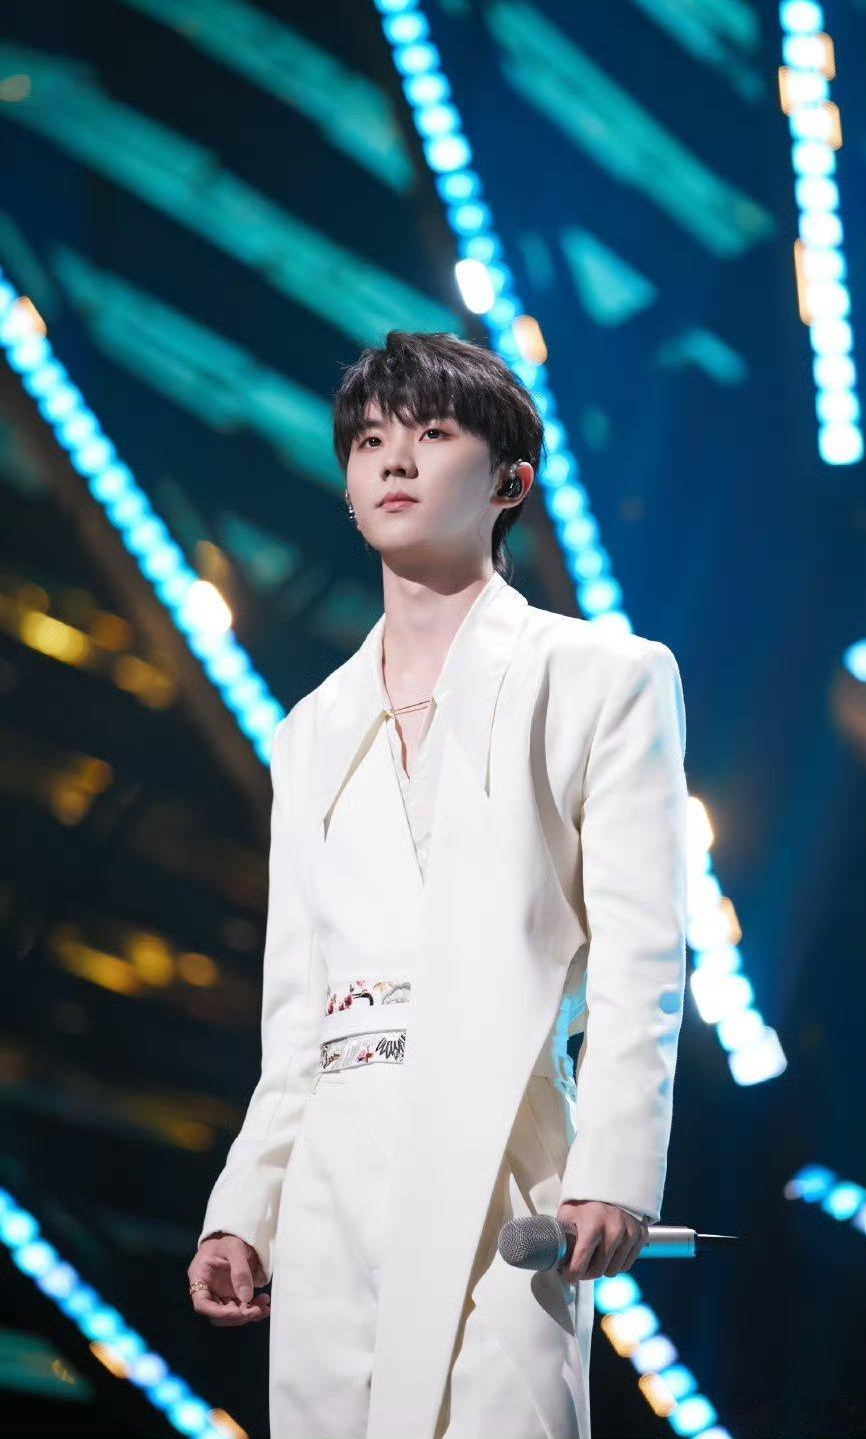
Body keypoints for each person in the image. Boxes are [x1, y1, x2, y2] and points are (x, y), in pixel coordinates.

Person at [187, 330, 688, 1439]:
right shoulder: (309, 729)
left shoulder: (602, 677)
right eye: (370, 442)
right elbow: (299, 1012)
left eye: (433, 434)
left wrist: (615, 1167)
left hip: (504, 1155)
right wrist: (244, 1210)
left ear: (511, 482)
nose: (395, 462)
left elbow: (644, 951)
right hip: (332, 1183)